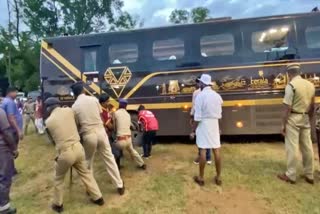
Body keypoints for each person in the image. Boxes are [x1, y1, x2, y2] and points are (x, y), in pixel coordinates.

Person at [44, 97, 104, 213]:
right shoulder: (69, 110)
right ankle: (98, 198)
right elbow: (77, 123)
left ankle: (58, 204)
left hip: (65, 152)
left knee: (58, 178)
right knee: (86, 174)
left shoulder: (48, 122)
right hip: (78, 148)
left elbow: (53, 141)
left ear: (49, 108)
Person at [71, 82, 125, 195]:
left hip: (88, 134)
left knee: (88, 162)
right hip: (101, 131)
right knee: (109, 158)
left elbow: (77, 125)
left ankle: (90, 189)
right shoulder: (94, 100)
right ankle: (119, 185)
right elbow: (101, 116)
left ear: (75, 94)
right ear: (83, 90)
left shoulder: (74, 106)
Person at [278, 63, 315, 185]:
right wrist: (309, 118)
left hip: (293, 117)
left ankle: (291, 175)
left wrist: (283, 125)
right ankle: (309, 174)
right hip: (305, 117)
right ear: (299, 72)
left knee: (292, 147)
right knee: (307, 146)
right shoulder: (310, 85)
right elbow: (312, 105)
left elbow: (287, 107)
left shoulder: (291, 86)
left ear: (289, 74)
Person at [192, 74, 223, 186]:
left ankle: (201, 177)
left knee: (203, 151)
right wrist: (218, 128)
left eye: (200, 82)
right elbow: (219, 115)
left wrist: (192, 130)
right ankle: (218, 177)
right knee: (216, 150)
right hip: (214, 124)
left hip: (204, 124)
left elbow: (197, 117)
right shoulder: (217, 96)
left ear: (203, 84)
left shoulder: (200, 96)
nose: (198, 84)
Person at [113, 99, 146, 169]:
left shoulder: (116, 113)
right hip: (128, 139)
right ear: (126, 106)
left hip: (120, 139)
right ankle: (142, 164)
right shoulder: (128, 114)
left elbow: (114, 127)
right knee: (132, 151)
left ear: (119, 105)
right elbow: (132, 126)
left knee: (114, 150)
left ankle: (117, 167)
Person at [190, 76, 212, 165]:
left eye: (198, 82)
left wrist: (191, 116)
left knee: (200, 138)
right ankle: (208, 158)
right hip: (208, 117)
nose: (197, 84)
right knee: (207, 137)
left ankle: (201, 157)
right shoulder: (211, 92)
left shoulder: (196, 93)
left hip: (199, 117)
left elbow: (194, 105)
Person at [0, 108, 18, 214]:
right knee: (4, 177)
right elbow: (6, 131)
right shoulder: (0, 112)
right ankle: (4, 208)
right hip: (2, 148)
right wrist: (14, 148)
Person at [99, 94, 123, 169]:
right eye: (107, 101)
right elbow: (109, 126)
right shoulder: (101, 111)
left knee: (117, 150)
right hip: (107, 135)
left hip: (109, 134)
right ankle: (116, 168)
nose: (108, 103)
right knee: (115, 152)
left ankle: (117, 167)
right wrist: (114, 127)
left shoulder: (106, 110)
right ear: (102, 103)